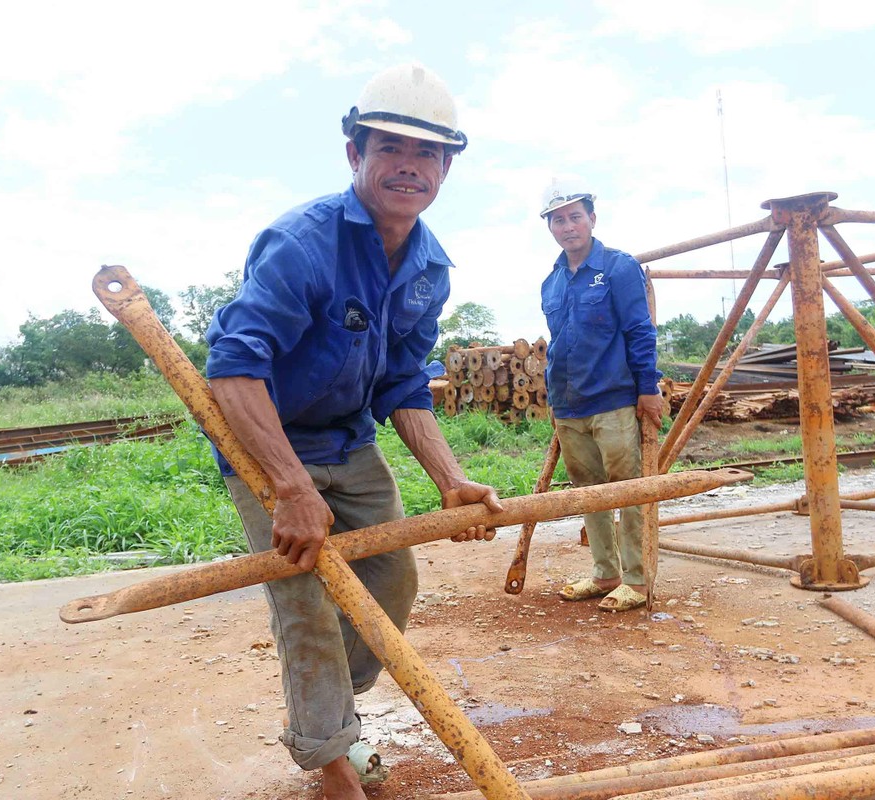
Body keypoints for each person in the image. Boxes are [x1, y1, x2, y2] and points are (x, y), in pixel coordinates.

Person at [204, 64, 502, 800]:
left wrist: (451, 479)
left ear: (447, 167)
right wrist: (288, 487)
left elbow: (403, 380)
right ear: (354, 155)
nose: (408, 165)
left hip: (350, 441)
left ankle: (333, 707)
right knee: (305, 604)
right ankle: (330, 760)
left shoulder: (430, 268)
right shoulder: (300, 243)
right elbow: (234, 372)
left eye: (426, 153)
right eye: (389, 147)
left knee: (390, 584)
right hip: (267, 446)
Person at [538, 178, 663, 613]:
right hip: (569, 405)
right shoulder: (551, 283)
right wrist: (554, 401)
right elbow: (557, 344)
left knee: (626, 491)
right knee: (587, 490)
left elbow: (639, 331)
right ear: (549, 227)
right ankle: (605, 572)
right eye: (559, 219)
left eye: (575, 216)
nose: (568, 226)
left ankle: (636, 579)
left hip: (614, 400)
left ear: (592, 218)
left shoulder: (617, 267)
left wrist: (648, 389)